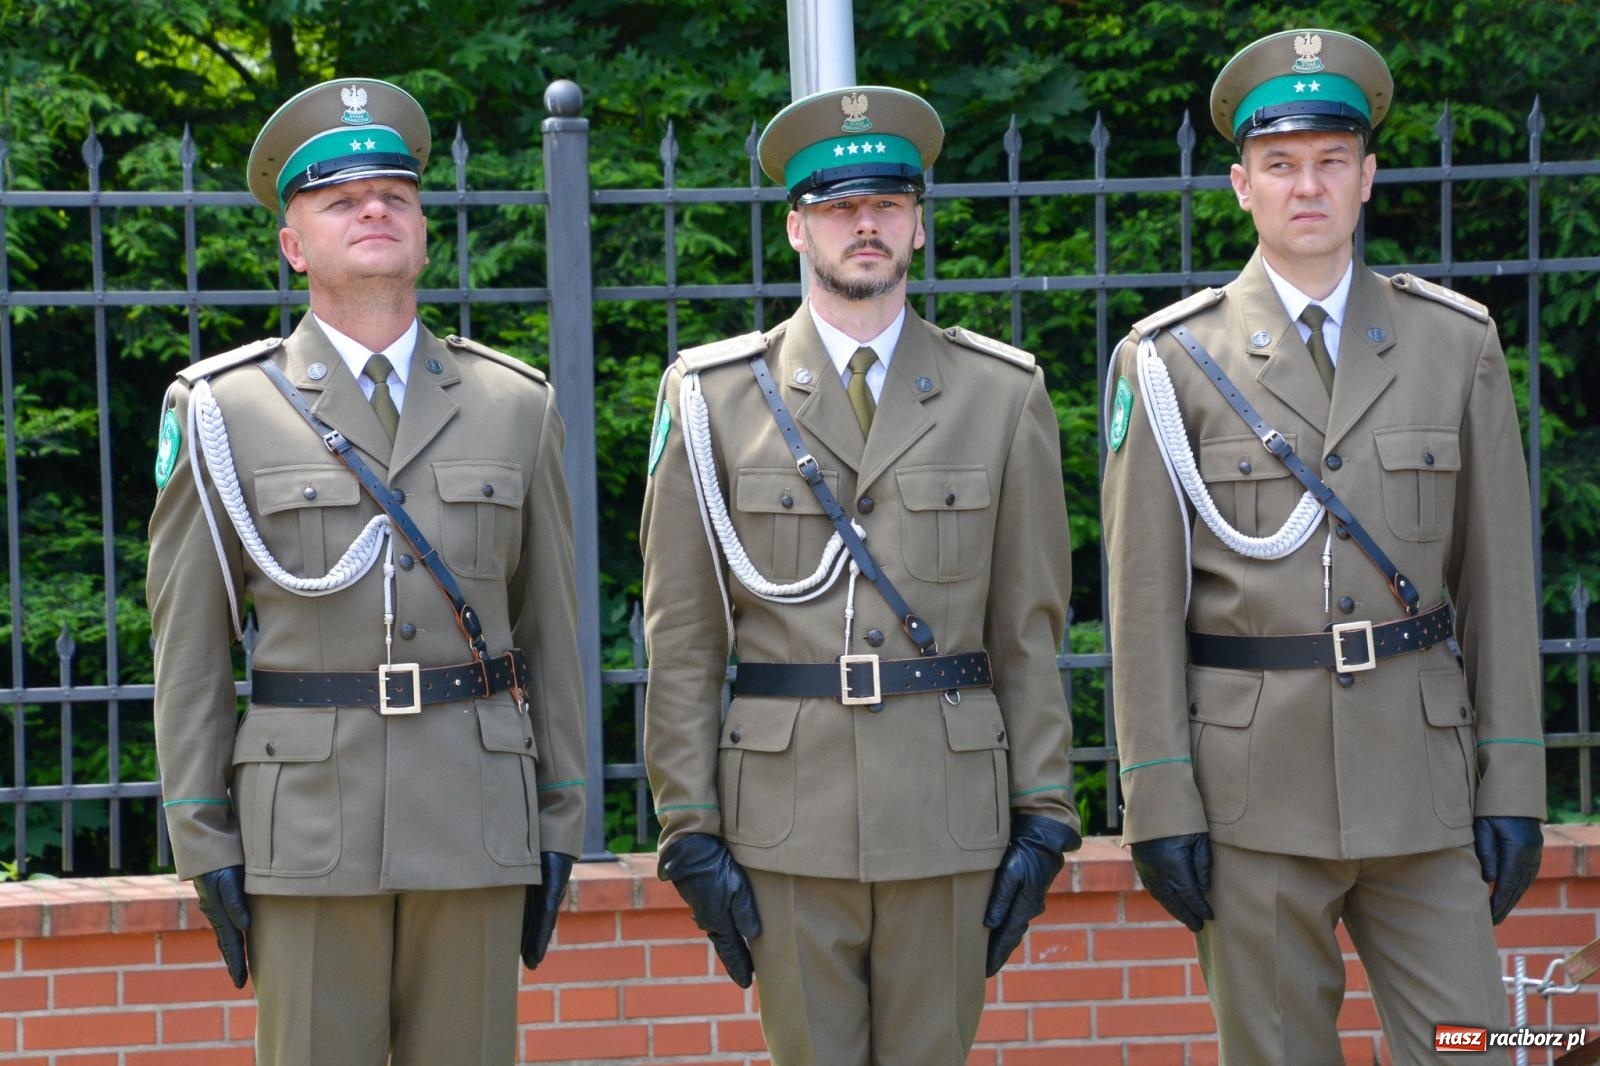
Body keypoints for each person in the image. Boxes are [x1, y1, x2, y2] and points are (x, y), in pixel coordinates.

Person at [1103, 28, 1546, 1064]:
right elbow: (1140, 605)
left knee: (1467, 1045)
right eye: (1281, 164)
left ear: (1367, 177)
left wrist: (1514, 778)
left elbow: (1500, 585)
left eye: (1330, 160)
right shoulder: (1169, 361)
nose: (1308, 185)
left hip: (1422, 791)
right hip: (1252, 798)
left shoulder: (1455, 343)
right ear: (1240, 185)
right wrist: (1157, 792)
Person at [147, 77, 586, 1065]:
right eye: (340, 200)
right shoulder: (224, 409)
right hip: (307, 826)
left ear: (423, 229)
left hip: (473, 817)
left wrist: (561, 812)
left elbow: (551, 630)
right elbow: (189, 646)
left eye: (394, 192)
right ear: (294, 245)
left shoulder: (512, 404)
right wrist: (201, 832)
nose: (375, 209)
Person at [640, 84, 1079, 1064]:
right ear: (798, 228)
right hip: (785, 822)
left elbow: (1029, 627)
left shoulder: (1000, 395)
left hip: (946, 810)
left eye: (885, 204)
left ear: (917, 224)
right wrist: (687, 826)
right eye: (838, 207)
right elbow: (681, 636)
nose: (863, 225)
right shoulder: (711, 398)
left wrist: (1045, 813)